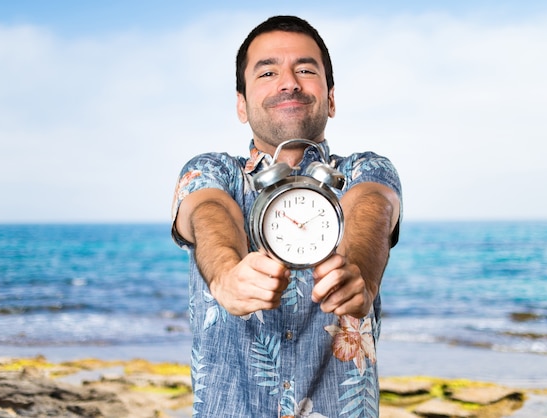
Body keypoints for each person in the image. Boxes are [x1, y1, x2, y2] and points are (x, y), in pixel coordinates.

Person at [171, 15, 402, 417]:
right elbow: (208, 210)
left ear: (331, 98)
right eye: (268, 71)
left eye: (306, 69)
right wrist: (226, 272)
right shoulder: (213, 172)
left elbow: (372, 206)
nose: (289, 81)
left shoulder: (366, 170)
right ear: (241, 105)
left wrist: (358, 273)